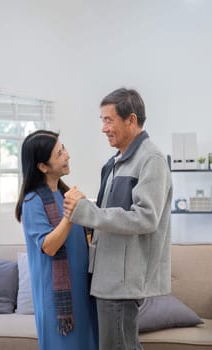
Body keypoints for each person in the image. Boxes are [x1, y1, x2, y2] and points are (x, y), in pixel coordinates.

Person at [64, 88, 173, 350]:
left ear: (131, 120)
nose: (103, 128)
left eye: (108, 120)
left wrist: (87, 212)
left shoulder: (151, 160)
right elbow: (110, 211)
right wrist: (84, 207)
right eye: (102, 120)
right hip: (107, 276)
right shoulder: (117, 161)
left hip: (121, 281)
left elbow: (146, 218)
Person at [15, 130, 98, 350]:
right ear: (43, 166)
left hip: (82, 290)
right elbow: (49, 246)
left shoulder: (64, 194)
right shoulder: (32, 201)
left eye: (64, 149)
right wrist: (71, 213)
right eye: (59, 153)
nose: (67, 155)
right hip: (57, 299)